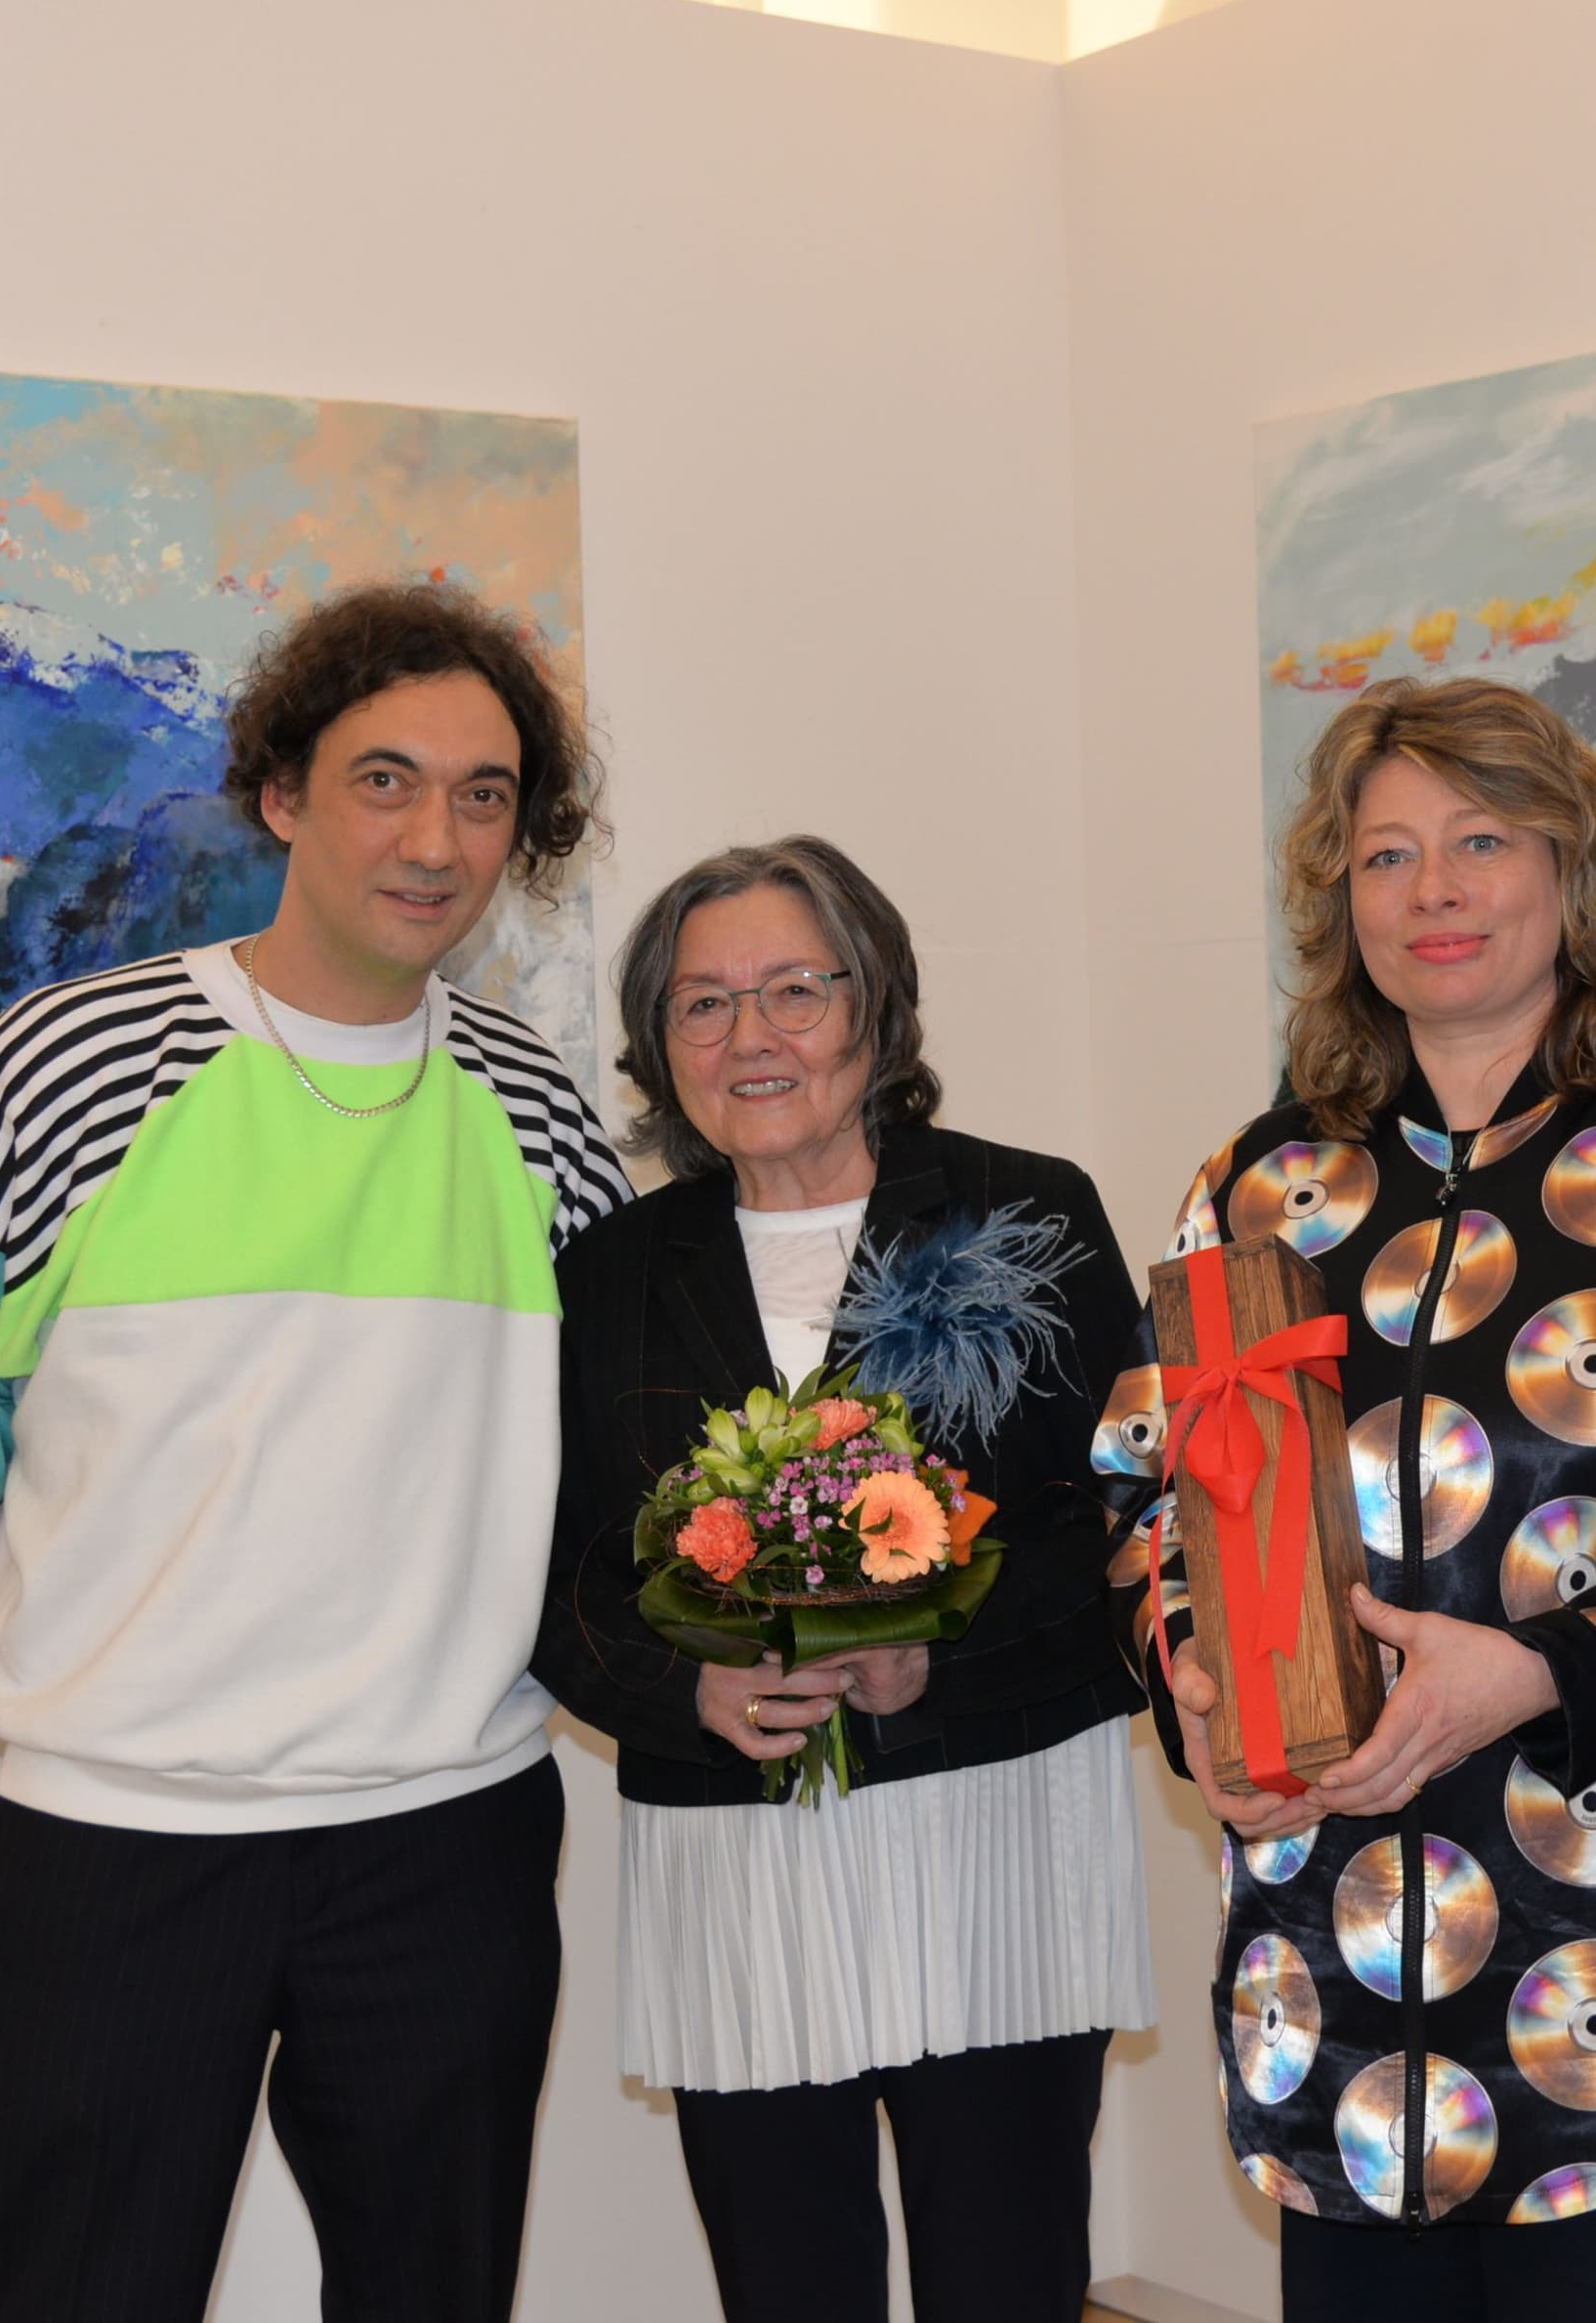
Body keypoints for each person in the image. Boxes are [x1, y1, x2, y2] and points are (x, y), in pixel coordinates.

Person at [0, 581, 630, 2320]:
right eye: (385, 780)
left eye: (483, 795)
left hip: (449, 1840)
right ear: (281, 795)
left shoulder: (539, 1111)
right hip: (116, 1841)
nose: (435, 840)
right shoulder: (56, 1069)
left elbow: (621, 1452)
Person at [1101, 679, 1596, 2319]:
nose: (1432, 890)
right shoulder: (1256, 1188)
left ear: (1568, 868)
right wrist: (1194, 1683)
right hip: (1332, 2013)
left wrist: (1536, 1673)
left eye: (1480, 841)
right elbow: (1147, 1500)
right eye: (1386, 855)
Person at [535, 835, 1158, 2323]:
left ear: (875, 1003)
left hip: (998, 1838)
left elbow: (1129, 1516)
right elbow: (554, 1570)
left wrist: (941, 1650)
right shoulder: (609, 1270)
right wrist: (686, 1689)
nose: (749, 1037)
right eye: (702, 1004)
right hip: (736, 1866)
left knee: (1006, 2278)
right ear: (659, 1043)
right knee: (787, 2283)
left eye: (795, 991)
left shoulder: (1024, 1212)